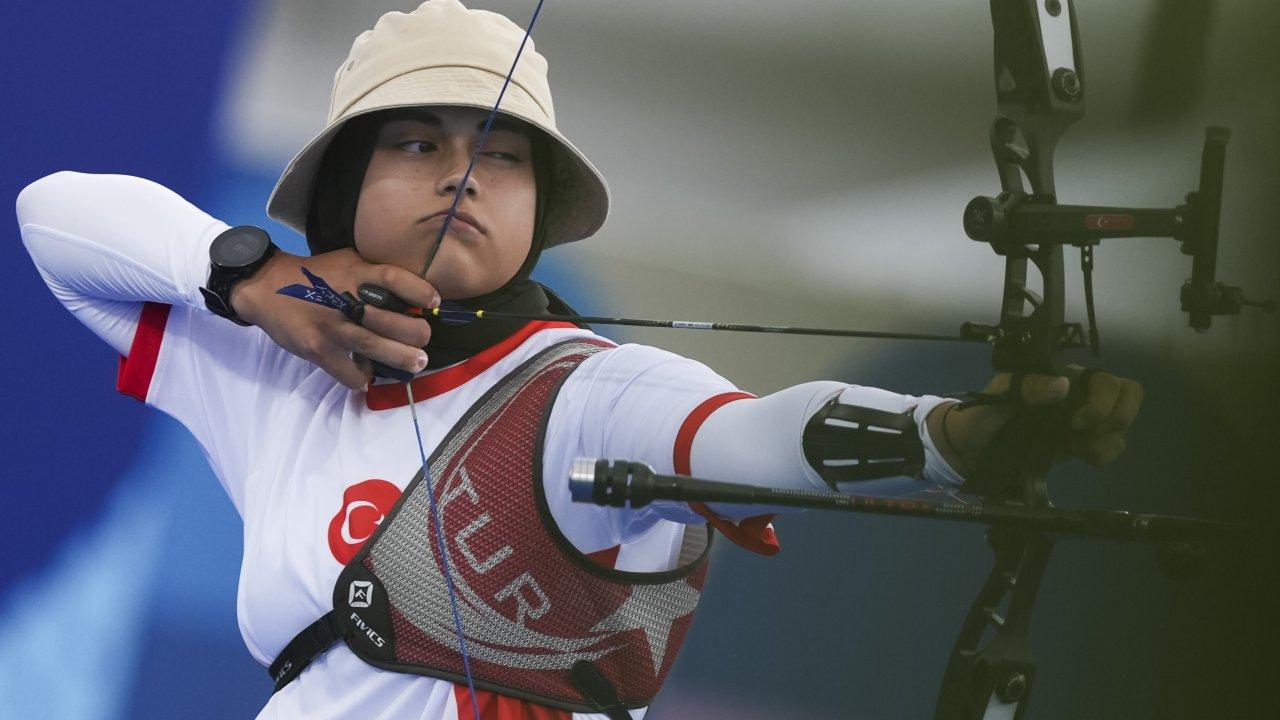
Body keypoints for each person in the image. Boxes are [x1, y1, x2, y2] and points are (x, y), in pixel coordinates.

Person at [15, 2, 1141, 719]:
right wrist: (255, 280)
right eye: (418, 143)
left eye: (499, 156)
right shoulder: (279, 368)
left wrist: (948, 439)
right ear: (346, 186)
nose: (461, 175)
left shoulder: (586, 392)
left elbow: (749, 435)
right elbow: (54, 218)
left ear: (537, 213)